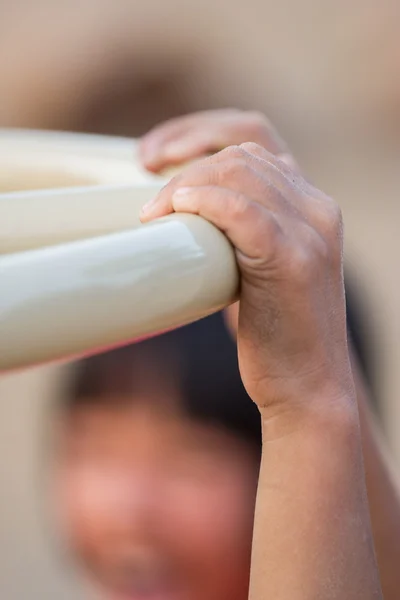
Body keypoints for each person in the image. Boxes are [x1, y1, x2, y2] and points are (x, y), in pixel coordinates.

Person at [53, 110, 400, 600]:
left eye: (188, 458)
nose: (128, 511)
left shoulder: (309, 423)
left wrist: (310, 398)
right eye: (96, 446)